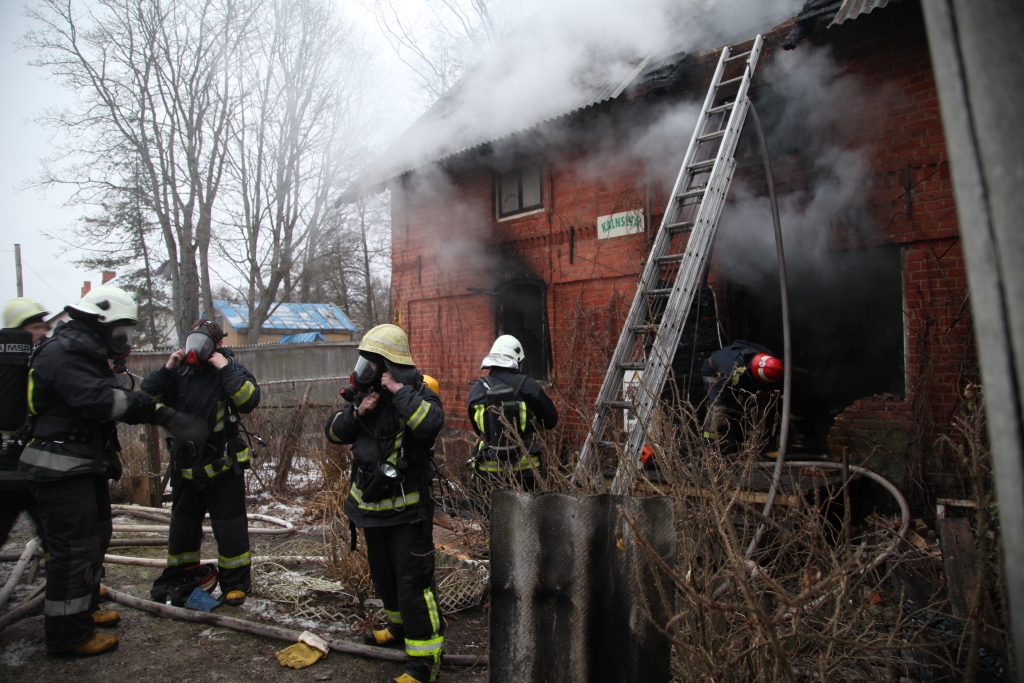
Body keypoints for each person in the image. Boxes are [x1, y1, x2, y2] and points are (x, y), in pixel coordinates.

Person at [18, 285, 205, 657]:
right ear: (99, 323)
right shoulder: (62, 352)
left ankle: (85, 608)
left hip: (81, 463)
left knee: (96, 538)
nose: (124, 339)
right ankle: (68, 635)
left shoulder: (82, 352)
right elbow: (99, 400)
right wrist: (161, 413)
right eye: (121, 331)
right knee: (73, 550)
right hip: (59, 466)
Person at [324, 324, 445, 683]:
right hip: (371, 510)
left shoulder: (419, 393)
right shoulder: (365, 398)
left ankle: (424, 663)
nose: (366, 370)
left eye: (372, 363)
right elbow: (332, 432)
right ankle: (397, 629)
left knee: (413, 585)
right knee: (385, 578)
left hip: (408, 513)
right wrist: (357, 412)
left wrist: (398, 390)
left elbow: (430, 425)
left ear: (389, 365)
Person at [142, 320, 260, 607]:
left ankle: (235, 584)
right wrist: (167, 369)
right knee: (182, 529)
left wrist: (225, 369)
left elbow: (248, 400)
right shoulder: (179, 373)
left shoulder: (231, 369)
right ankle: (181, 578)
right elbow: (145, 399)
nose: (198, 347)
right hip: (186, 463)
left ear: (218, 344)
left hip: (223, 464)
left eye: (206, 341)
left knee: (230, 529)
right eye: (194, 340)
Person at [467, 335, 558, 488]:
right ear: (518, 361)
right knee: (527, 505)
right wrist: (530, 425)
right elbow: (550, 419)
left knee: (490, 505)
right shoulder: (529, 386)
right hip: (525, 469)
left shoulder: (476, 390)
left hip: (488, 470)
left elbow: (477, 430)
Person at [0, 297, 49, 547]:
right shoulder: (11, 370)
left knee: (54, 538)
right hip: (11, 470)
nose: (42, 333)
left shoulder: (44, 363)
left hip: (35, 469)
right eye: (35, 328)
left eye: (43, 327)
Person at [700, 340, 783, 447]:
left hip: (740, 377)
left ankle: (755, 445)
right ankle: (711, 446)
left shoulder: (769, 359)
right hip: (714, 373)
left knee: (756, 407)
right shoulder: (729, 371)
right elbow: (726, 395)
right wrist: (740, 405)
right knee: (721, 409)